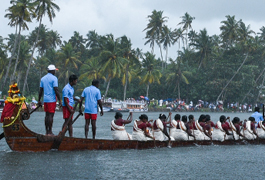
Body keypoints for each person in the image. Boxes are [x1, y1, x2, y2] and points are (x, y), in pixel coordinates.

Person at [38, 64, 62, 136]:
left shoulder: (43, 78)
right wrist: (60, 100)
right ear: (52, 71)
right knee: (51, 116)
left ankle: (46, 131)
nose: (55, 72)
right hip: (52, 100)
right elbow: (56, 90)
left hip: (45, 100)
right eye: (54, 70)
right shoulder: (54, 78)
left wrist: (39, 100)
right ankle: (50, 131)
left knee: (47, 115)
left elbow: (40, 90)